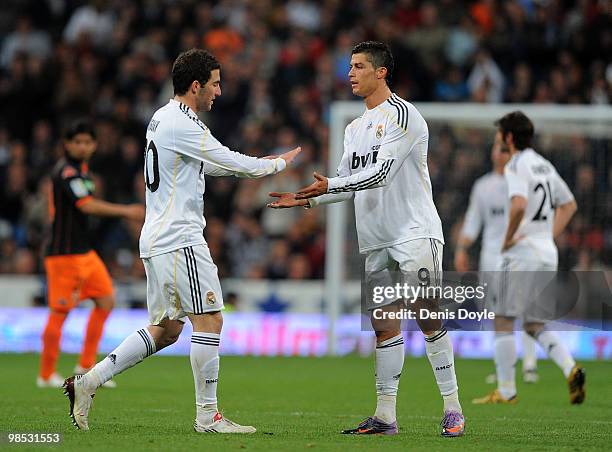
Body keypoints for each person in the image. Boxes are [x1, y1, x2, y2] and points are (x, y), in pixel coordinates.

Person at [62, 48, 301, 432]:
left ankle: (88, 381)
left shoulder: (162, 117)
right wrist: (277, 164)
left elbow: (204, 163)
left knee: (168, 329)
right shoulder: (183, 124)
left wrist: (248, 166)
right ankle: (208, 417)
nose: (219, 92)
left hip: (159, 237)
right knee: (210, 320)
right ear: (196, 85)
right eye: (215, 84)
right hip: (180, 238)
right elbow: (228, 160)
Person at [268, 41, 464, 437]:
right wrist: (309, 199)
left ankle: (453, 407)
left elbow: (381, 174)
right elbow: (346, 187)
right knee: (384, 327)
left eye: (358, 66)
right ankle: (385, 416)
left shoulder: (405, 116)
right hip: (375, 238)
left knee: (427, 315)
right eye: (350, 66)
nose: (350, 73)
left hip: (414, 231)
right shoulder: (354, 128)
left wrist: (329, 185)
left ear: (381, 72)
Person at [472, 111, 585, 405]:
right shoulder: (544, 165)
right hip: (546, 253)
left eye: (500, 135)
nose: (498, 140)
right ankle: (570, 368)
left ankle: (506, 390)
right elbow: (569, 204)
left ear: (509, 138)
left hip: (522, 255)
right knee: (535, 324)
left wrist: (509, 238)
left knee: (503, 319)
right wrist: (547, 234)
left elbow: (520, 205)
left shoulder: (516, 165)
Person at [38, 120, 144, 388]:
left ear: (94, 145)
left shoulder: (82, 171)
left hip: (84, 252)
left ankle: (86, 365)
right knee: (60, 312)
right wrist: (126, 211)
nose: (82, 146)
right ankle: (46, 373)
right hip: (63, 255)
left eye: (87, 142)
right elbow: (85, 205)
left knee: (106, 300)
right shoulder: (67, 173)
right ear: (67, 145)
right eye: (77, 142)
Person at [454, 137, 540, 384]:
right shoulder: (482, 186)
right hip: (490, 258)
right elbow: (473, 221)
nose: (501, 153)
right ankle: (505, 368)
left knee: (523, 307)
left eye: (506, 149)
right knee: (494, 314)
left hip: (519, 255)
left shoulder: (523, 183)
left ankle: (530, 365)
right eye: (497, 148)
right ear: (492, 152)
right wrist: (461, 248)